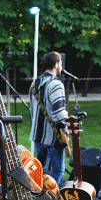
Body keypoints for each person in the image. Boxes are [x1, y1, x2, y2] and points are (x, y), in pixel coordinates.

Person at [30, 51, 69, 185]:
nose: (62, 68)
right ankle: (49, 199)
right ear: (56, 64)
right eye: (61, 64)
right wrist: (66, 130)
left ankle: (36, 194)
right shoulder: (56, 84)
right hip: (53, 137)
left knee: (39, 170)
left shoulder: (34, 84)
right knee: (58, 170)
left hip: (38, 135)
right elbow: (58, 113)